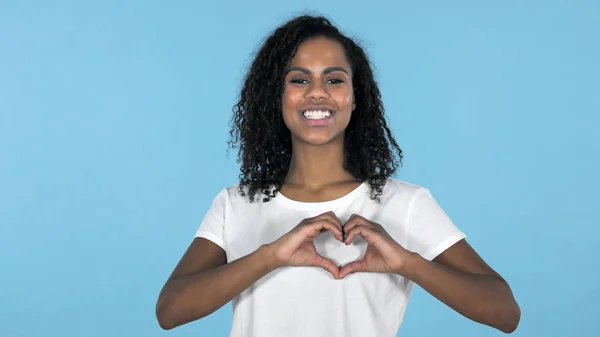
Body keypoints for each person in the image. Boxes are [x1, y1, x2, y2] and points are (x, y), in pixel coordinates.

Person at [155, 14, 521, 337]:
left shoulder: (404, 204)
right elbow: (170, 311)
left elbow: (504, 313)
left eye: (334, 80)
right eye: (299, 80)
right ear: (277, 96)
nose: (317, 92)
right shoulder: (236, 203)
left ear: (354, 97)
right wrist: (270, 256)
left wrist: (408, 263)